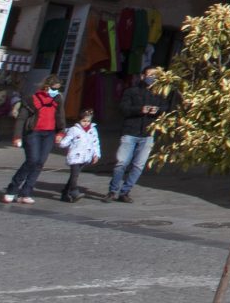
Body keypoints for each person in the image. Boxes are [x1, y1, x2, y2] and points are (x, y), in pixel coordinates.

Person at [106, 66, 166, 203]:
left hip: (148, 133)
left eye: (155, 76)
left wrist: (157, 110)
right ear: (142, 76)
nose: (152, 79)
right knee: (121, 163)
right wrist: (140, 109)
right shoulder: (131, 91)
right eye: (150, 75)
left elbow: (166, 108)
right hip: (130, 132)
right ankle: (112, 191)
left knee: (138, 165)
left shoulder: (159, 94)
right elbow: (123, 108)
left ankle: (125, 191)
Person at [2, 82, 60, 205]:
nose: (55, 91)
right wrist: (17, 136)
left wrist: (61, 132)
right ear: (46, 87)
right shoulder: (32, 99)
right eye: (54, 88)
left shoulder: (57, 99)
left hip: (49, 134)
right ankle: (12, 188)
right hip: (33, 133)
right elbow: (22, 118)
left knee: (40, 162)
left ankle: (26, 192)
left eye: (58, 89)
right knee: (32, 160)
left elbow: (60, 116)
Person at [55, 108, 99, 203]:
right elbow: (65, 142)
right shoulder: (74, 130)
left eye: (88, 121)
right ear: (79, 120)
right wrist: (60, 142)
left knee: (73, 176)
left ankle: (65, 193)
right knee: (75, 175)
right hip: (75, 156)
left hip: (86, 156)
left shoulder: (93, 130)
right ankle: (74, 191)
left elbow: (95, 143)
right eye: (84, 121)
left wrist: (96, 154)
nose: (86, 123)